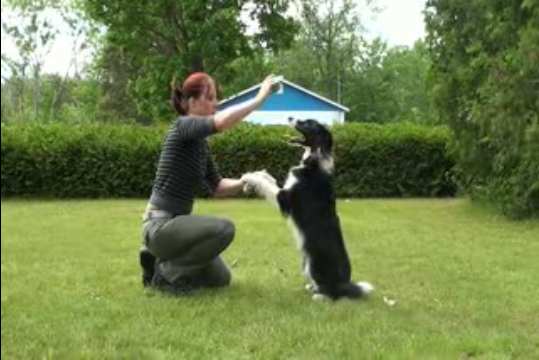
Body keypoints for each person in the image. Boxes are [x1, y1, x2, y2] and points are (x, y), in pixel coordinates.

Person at [140, 72, 275, 295]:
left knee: (220, 279)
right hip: (159, 225)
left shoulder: (200, 144)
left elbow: (218, 187)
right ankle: (166, 275)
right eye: (210, 97)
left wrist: (246, 181)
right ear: (191, 102)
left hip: (176, 225)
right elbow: (221, 122)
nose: (217, 103)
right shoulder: (183, 126)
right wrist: (259, 98)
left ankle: (154, 260)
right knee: (224, 229)